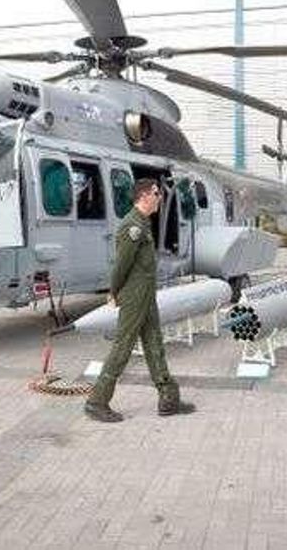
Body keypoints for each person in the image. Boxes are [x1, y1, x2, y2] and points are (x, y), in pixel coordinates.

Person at [84, 178, 195, 423]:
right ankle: (97, 401)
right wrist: (114, 291)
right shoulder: (131, 226)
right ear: (144, 196)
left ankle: (168, 398)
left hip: (146, 294)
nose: (159, 197)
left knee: (154, 342)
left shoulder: (142, 224)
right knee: (123, 346)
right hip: (135, 296)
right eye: (156, 193)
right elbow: (121, 265)